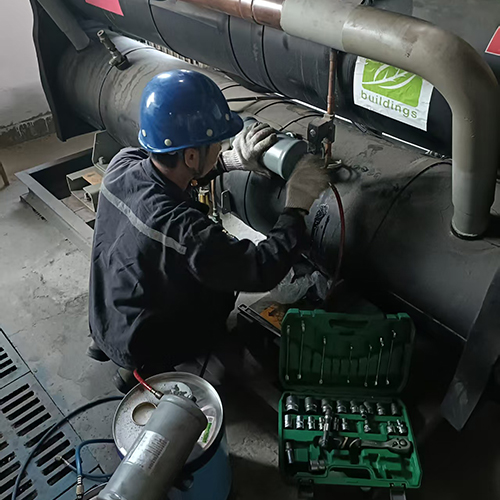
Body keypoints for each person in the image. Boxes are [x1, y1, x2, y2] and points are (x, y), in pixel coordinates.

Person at [88, 69, 329, 392]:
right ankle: (143, 362)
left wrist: (229, 161)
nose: (219, 147)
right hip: (140, 339)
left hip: (105, 311)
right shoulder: (183, 228)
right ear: (191, 155)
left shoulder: (123, 163)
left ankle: (113, 344)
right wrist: (296, 205)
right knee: (220, 290)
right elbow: (261, 268)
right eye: (216, 143)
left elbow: (172, 175)